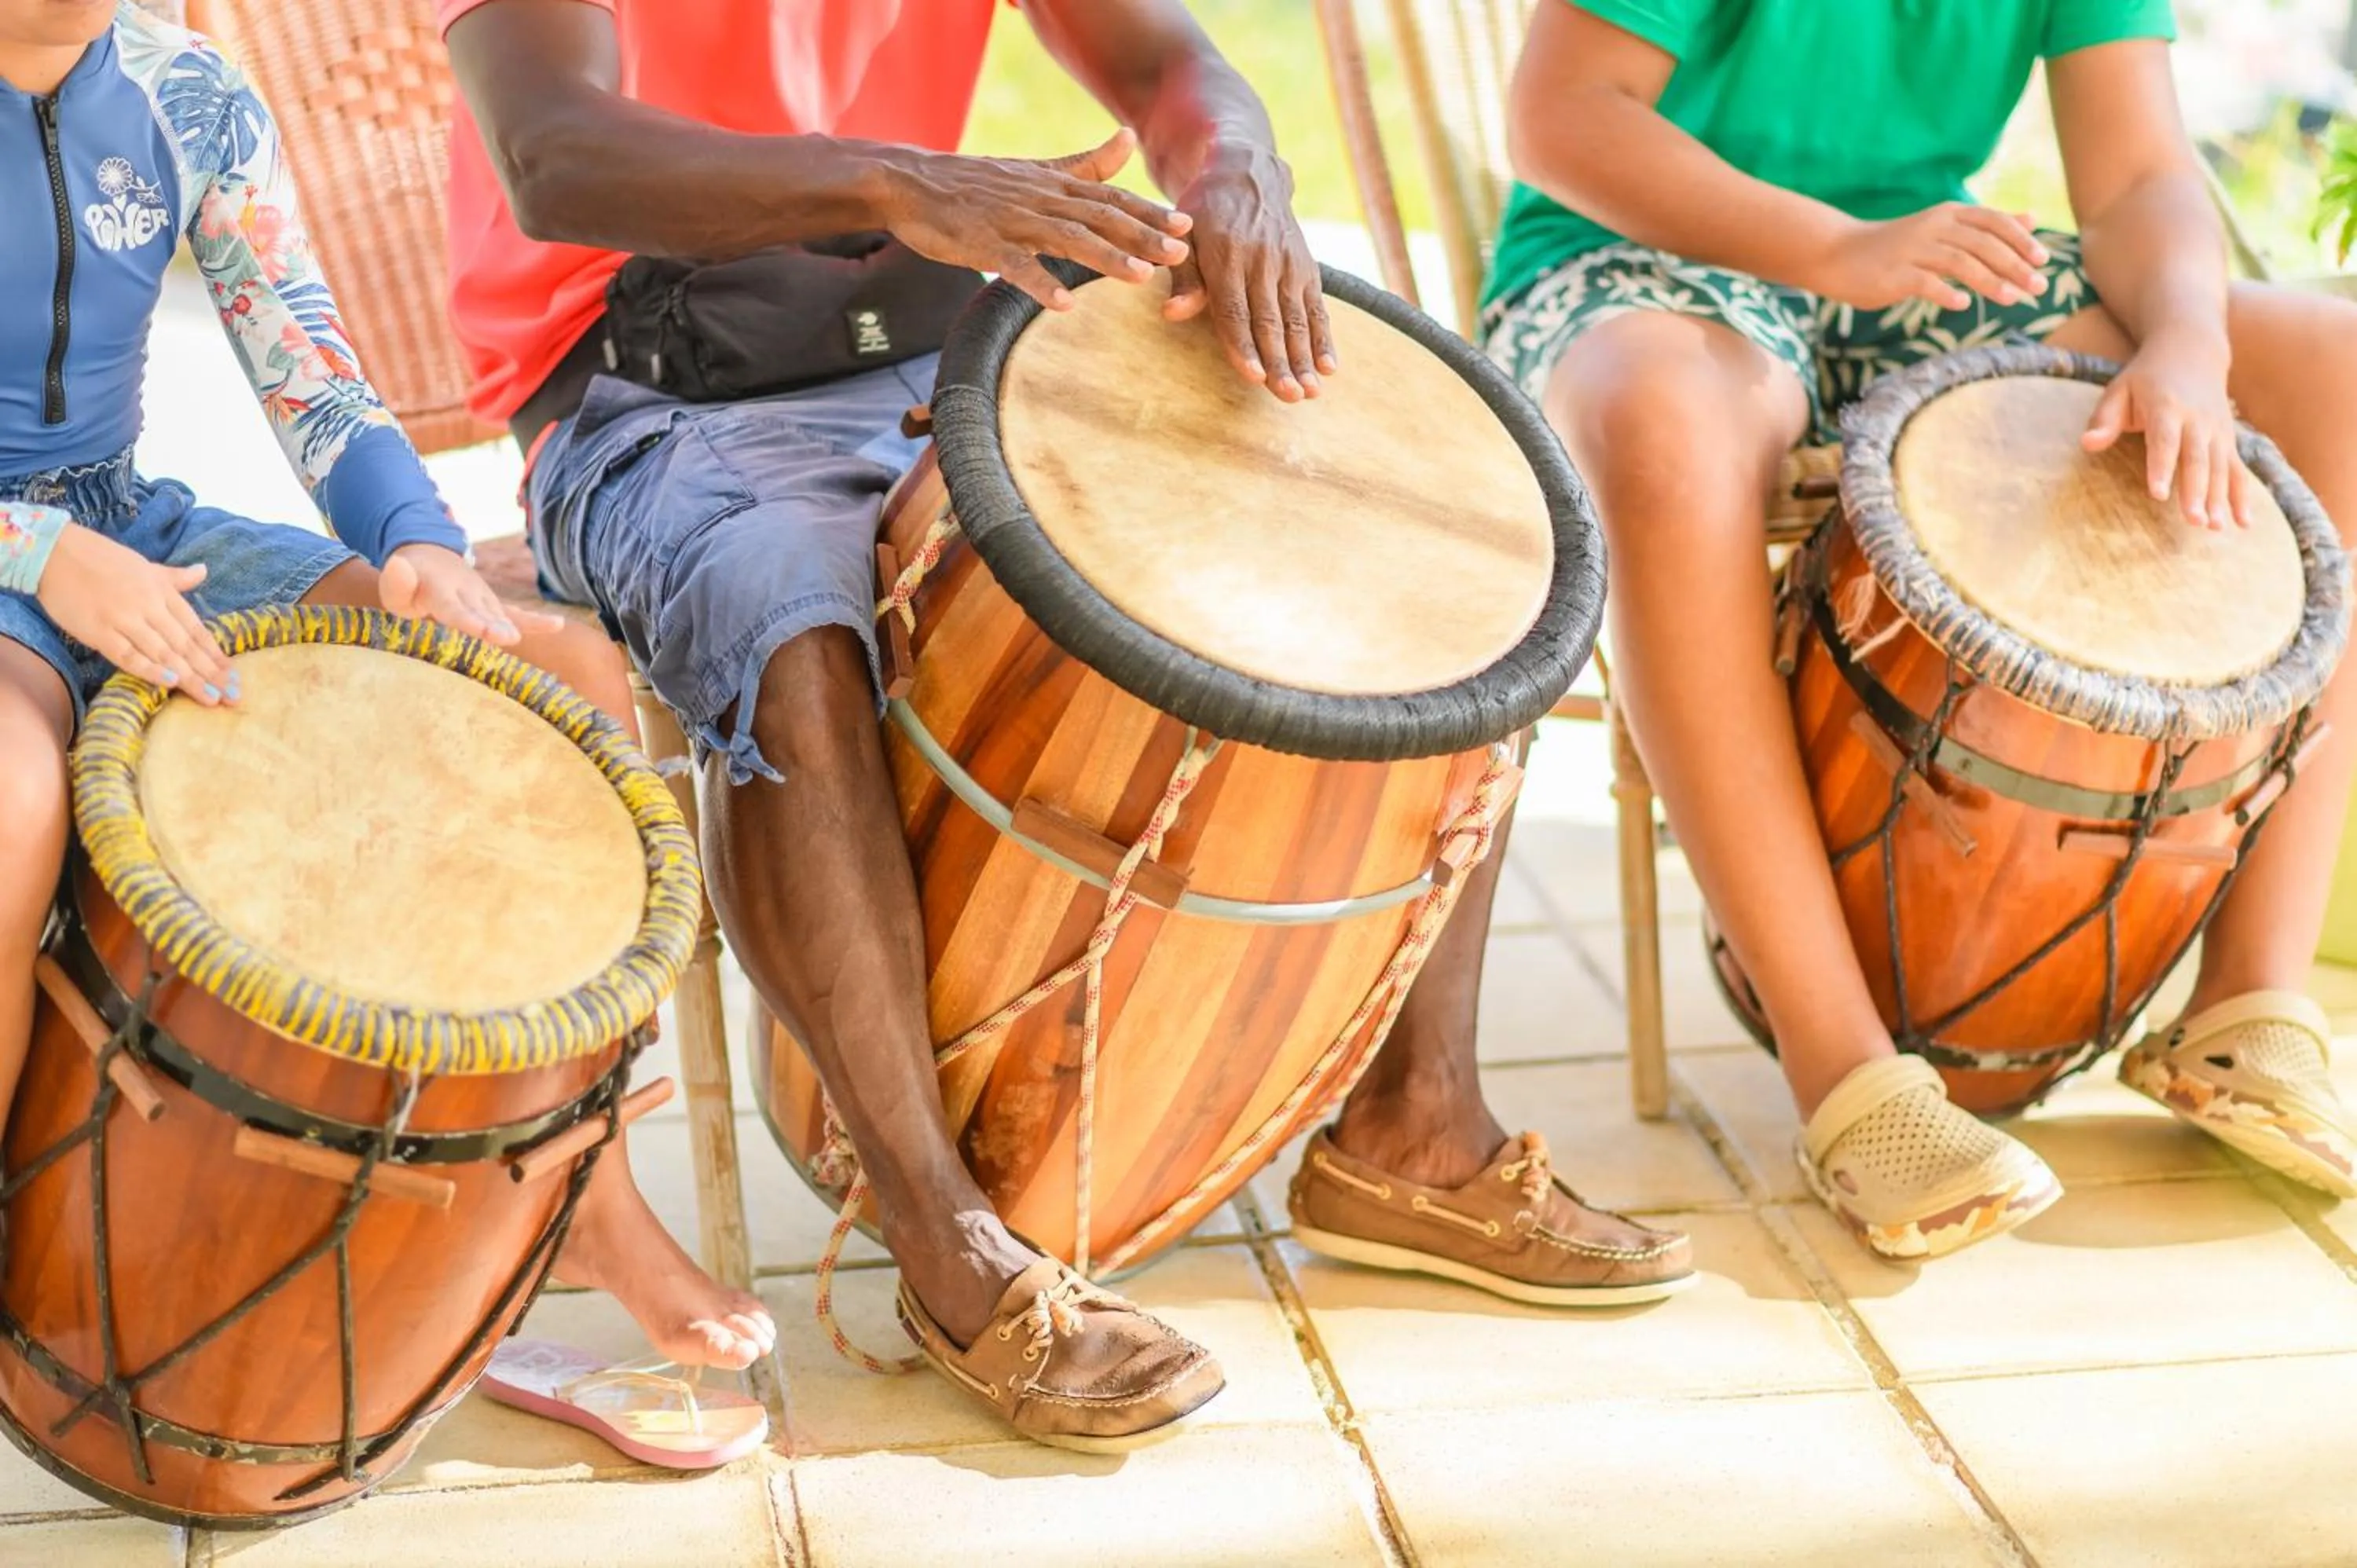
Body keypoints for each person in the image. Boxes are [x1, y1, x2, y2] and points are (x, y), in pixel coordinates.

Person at [440, 0, 1695, 1453]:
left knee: (1409, 521)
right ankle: (941, 1240)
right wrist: (890, 180)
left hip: (912, 313)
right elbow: (555, 153)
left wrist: (1234, 168)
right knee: (788, 614)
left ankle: (1415, 1128)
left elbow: (1169, 63)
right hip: (644, 384)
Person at [1489, 0, 2357, 1261]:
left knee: (2334, 369)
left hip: (1918, 263)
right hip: (1646, 256)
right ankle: (1844, 1074)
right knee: (1667, 428)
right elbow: (1563, 119)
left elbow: (2136, 178)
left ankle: (2246, 997)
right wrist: (1832, 247)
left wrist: (2186, 340)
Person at [0, 0, 775, 1378]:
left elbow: (305, 364)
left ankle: (587, 1203)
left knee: (562, 686)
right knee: (7, 801)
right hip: (16, 562)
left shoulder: (188, 90)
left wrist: (411, 538)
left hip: (136, 524)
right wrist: (47, 559)